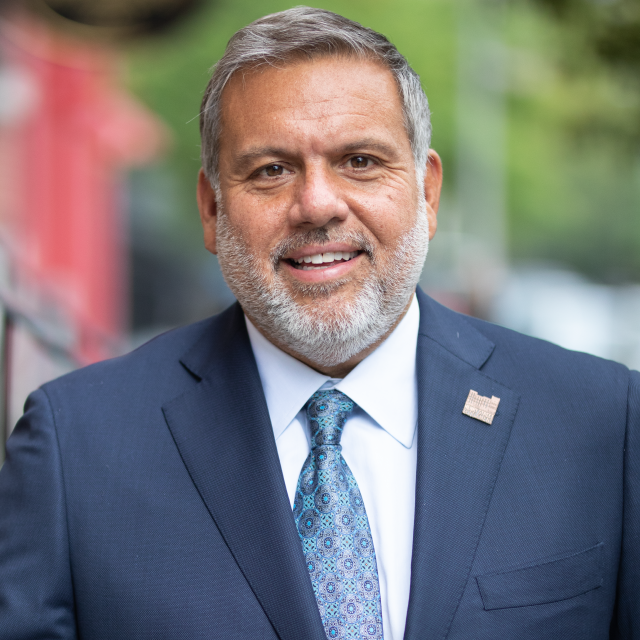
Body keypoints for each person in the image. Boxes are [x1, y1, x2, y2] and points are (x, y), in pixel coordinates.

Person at [0, 7, 638, 640]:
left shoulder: (602, 424)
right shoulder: (76, 447)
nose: (317, 204)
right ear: (211, 208)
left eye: (360, 160)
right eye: (271, 170)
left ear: (427, 192)